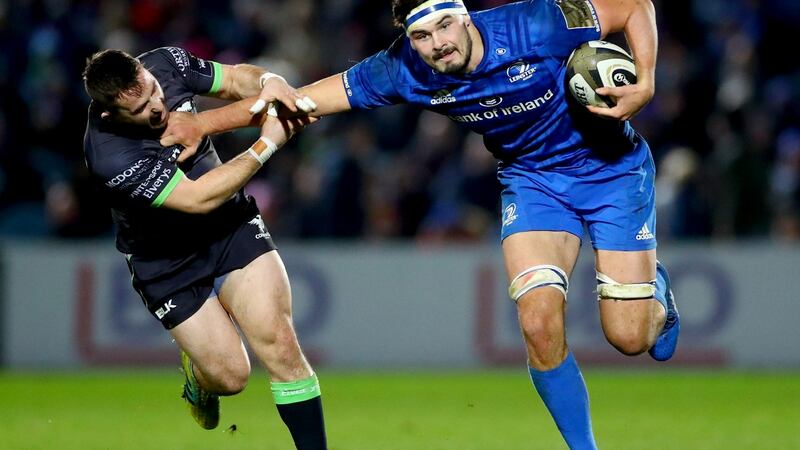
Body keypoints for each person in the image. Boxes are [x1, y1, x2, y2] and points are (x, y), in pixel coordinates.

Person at [161, 1, 680, 448]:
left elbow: (634, 6)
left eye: (445, 26)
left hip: (611, 173)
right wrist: (201, 123)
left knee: (631, 339)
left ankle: (655, 292)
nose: (436, 45)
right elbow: (297, 102)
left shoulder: (537, 22)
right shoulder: (402, 69)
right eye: (421, 35)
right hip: (532, 184)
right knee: (538, 323)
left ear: (464, 16)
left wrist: (648, 80)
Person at [82, 48, 328, 450]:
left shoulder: (165, 62)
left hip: (227, 228)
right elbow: (197, 198)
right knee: (231, 377)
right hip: (166, 262)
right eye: (142, 108)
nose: (158, 107)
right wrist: (266, 145)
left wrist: (268, 81)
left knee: (281, 344)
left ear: (146, 71)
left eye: (155, 91)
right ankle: (199, 380)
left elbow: (233, 80)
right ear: (111, 114)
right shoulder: (108, 154)